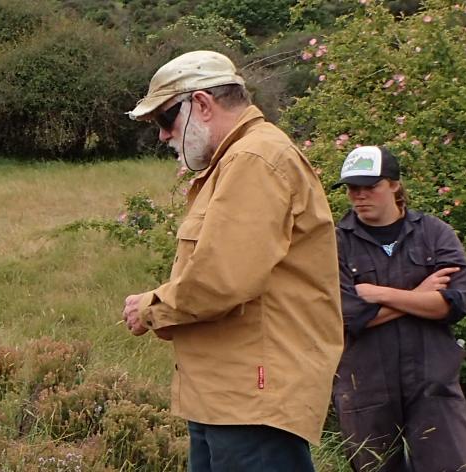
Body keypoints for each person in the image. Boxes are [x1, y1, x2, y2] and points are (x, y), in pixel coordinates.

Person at [121, 50, 344, 471]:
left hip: (251, 398)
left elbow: (221, 281)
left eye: (165, 120)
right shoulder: (238, 160)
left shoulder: (254, 160)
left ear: (202, 104)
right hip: (227, 396)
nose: (163, 136)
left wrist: (151, 307)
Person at [331, 146, 466, 471]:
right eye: (352, 188)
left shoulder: (434, 233)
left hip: (434, 384)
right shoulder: (334, 244)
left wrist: (378, 294)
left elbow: (453, 303)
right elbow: (346, 316)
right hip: (364, 389)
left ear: (394, 184)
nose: (359, 196)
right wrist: (419, 296)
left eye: (369, 186)